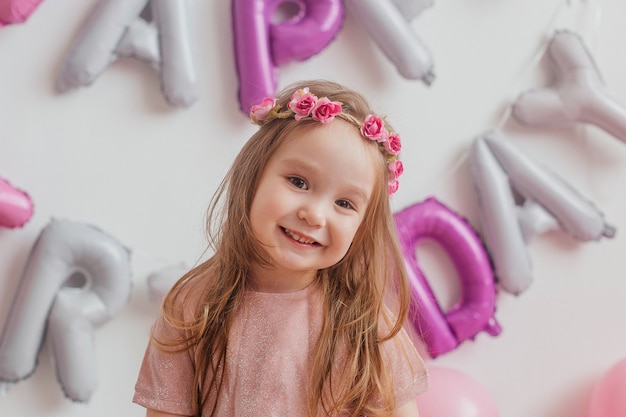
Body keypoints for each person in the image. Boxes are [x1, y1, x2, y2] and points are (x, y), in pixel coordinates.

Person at [133, 80, 428, 417]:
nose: (314, 214)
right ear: (253, 176)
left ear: (361, 229)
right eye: (298, 182)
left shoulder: (362, 325)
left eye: (344, 203)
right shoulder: (193, 306)